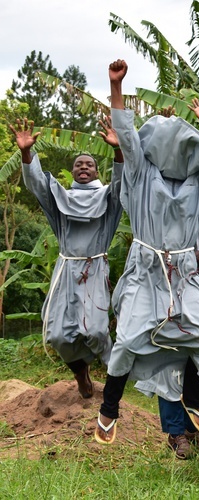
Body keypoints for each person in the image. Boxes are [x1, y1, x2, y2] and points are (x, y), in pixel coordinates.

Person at [94, 59, 199, 445]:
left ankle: (195, 397)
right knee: (130, 338)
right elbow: (128, 135)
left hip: (183, 272)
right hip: (145, 269)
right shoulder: (142, 174)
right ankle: (110, 406)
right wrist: (116, 86)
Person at [10, 115, 123, 399]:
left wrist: (119, 151)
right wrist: (26, 152)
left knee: (96, 331)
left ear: (97, 172)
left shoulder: (108, 197)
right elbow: (37, 184)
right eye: (78, 164)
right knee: (58, 335)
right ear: (72, 171)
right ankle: (81, 373)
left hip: (94, 268)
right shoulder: (60, 197)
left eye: (89, 165)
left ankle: (114, 380)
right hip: (65, 269)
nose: (83, 167)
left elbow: (124, 184)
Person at [134, 217, 199, 459]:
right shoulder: (156, 219)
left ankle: (192, 431)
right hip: (162, 300)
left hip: (197, 302)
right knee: (169, 368)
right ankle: (175, 434)